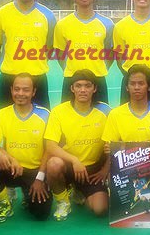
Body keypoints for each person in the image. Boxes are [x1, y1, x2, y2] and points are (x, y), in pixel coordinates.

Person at [102, 65, 150, 218]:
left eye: (141, 83)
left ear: (148, 87)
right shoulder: (115, 114)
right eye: (132, 83)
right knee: (117, 210)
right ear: (127, 87)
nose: (136, 87)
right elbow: (110, 149)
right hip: (125, 174)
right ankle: (113, 189)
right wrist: (109, 149)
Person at [0, 73, 52, 223]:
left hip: (35, 172)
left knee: (41, 214)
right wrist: (3, 155)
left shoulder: (45, 115)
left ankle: (28, 193)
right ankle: (4, 202)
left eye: (26, 90)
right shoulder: (1, 115)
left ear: (33, 92)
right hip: (13, 169)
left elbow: (49, 149)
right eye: (17, 89)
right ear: (11, 90)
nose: (20, 93)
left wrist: (40, 178)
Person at [45, 69, 111, 220]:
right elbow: (50, 146)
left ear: (94, 88)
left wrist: (105, 170)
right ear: (72, 88)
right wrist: (74, 160)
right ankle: (63, 201)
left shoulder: (106, 111)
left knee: (100, 209)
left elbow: (114, 144)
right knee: (54, 164)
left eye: (87, 86)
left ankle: (79, 191)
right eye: (78, 86)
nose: (83, 90)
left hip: (93, 169)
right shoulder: (58, 112)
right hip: (69, 165)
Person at [0, 0, 56, 110]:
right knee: (5, 119)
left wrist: (36, 65)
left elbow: (50, 47)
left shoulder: (48, 16)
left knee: (42, 119)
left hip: (38, 77)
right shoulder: (1, 14)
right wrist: (6, 66)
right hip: (9, 77)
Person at [54, 0, 114, 104]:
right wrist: (72, 70)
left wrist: (99, 68)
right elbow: (59, 53)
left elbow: (110, 53)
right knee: (69, 115)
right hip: (71, 79)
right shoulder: (62, 24)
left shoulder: (107, 24)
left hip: (98, 79)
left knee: (101, 115)